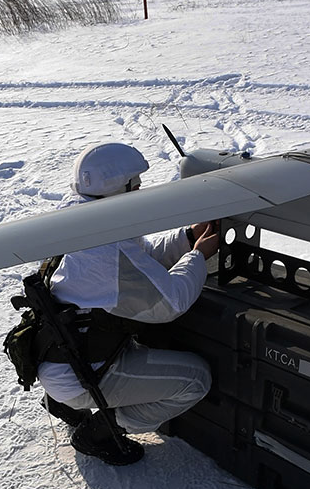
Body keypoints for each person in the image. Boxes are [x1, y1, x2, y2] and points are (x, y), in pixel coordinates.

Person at [33, 142, 218, 465]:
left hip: (61, 359)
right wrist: (199, 256)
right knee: (196, 379)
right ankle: (103, 429)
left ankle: (66, 403)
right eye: (137, 185)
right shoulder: (106, 248)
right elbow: (170, 303)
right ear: (122, 188)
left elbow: (137, 261)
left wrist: (187, 237)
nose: (141, 191)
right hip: (82, 372)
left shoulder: (78, 221)